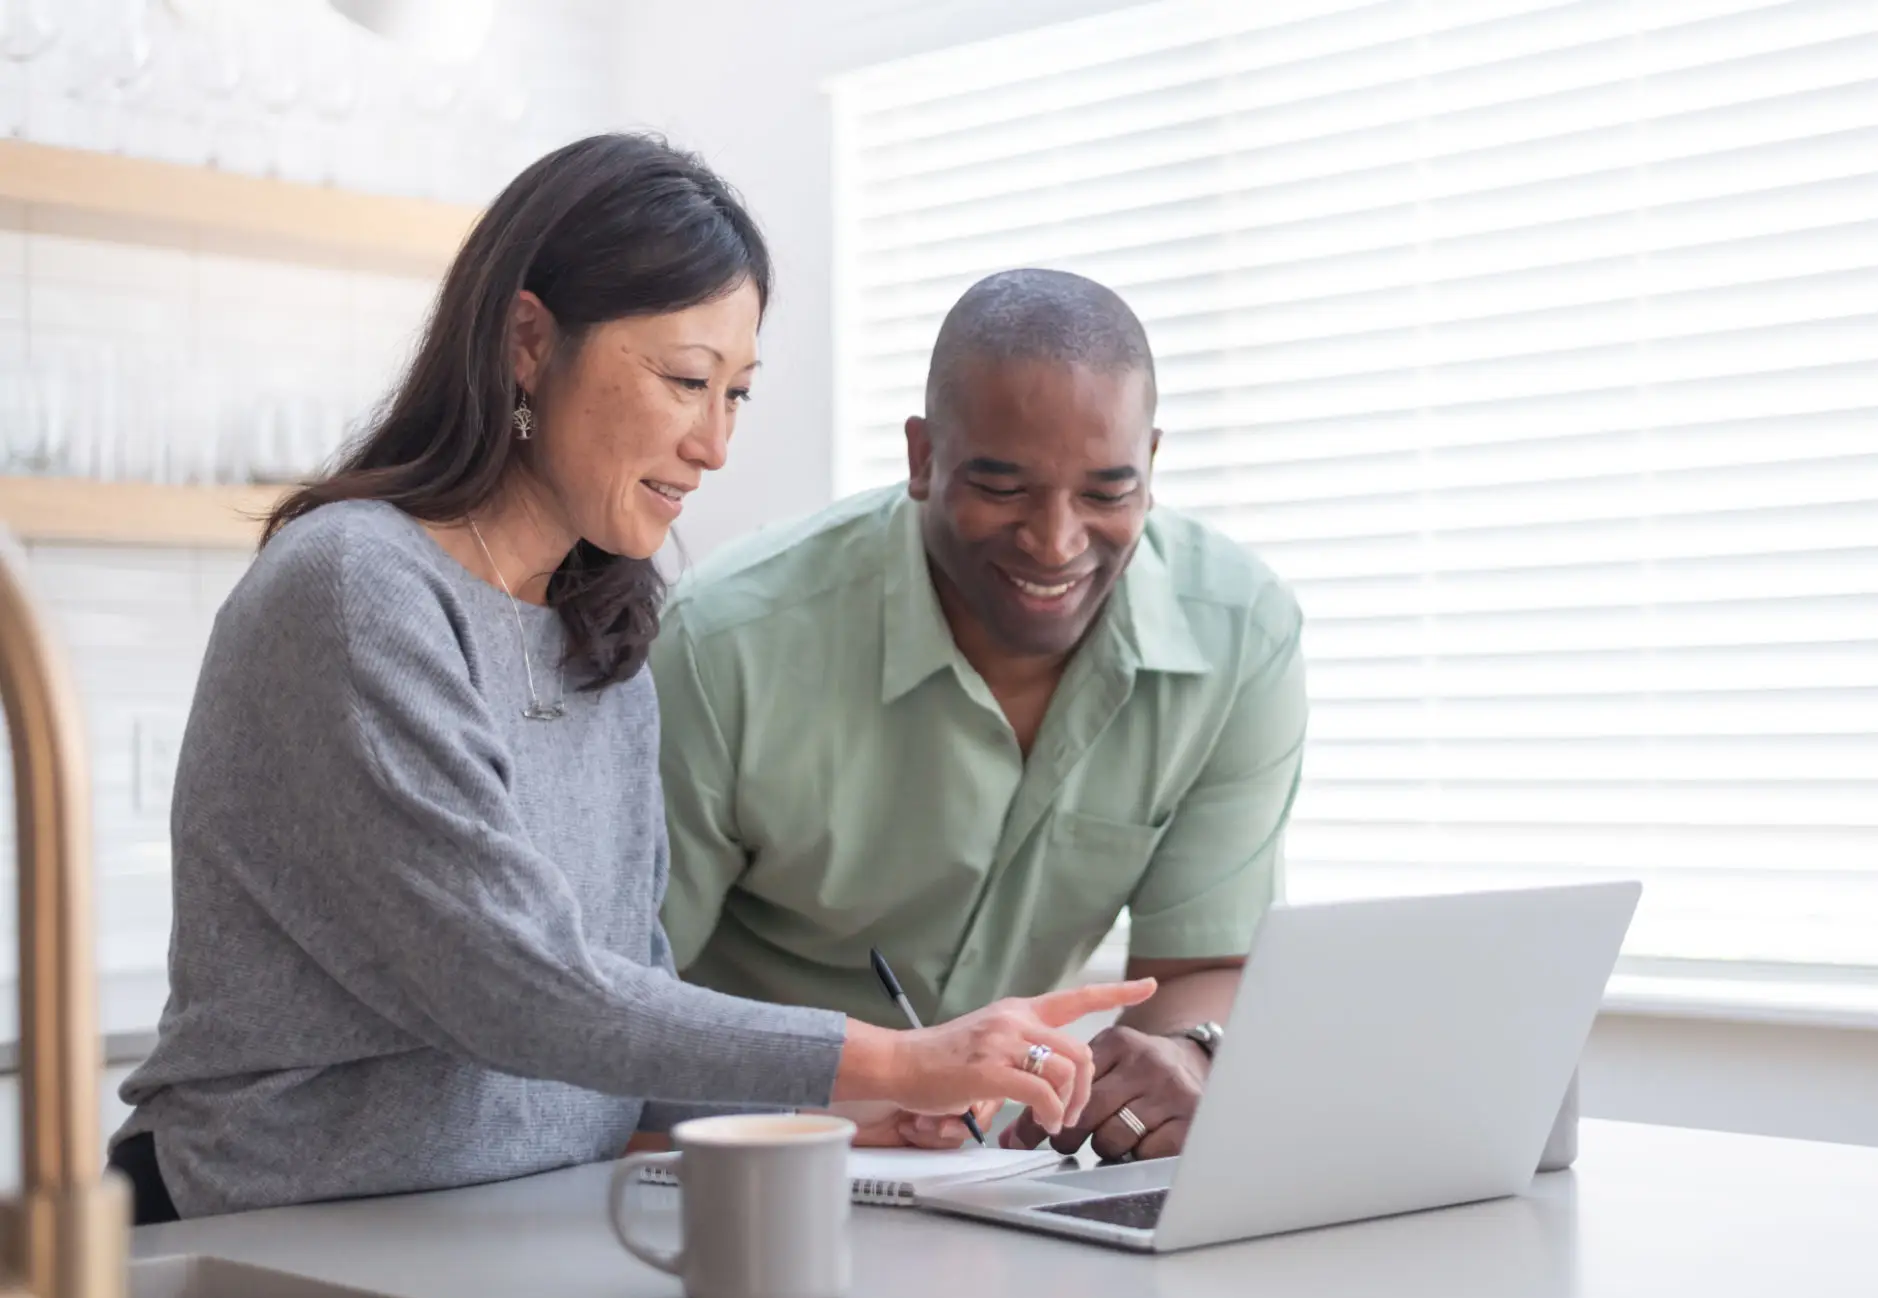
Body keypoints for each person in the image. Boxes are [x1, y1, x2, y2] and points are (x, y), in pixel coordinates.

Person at [108, 137, 1152, 1223]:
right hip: (272, 1243)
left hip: (505, 1237)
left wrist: (852, 1118)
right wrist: (892, 1060)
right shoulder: (355, 589)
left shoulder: (597, 641)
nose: (713, 444)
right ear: (528, 341)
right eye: (686, 380)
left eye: (737, 393)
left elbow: (616, 1028)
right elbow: (516, 992)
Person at [652, 268, 1307, 1160]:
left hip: (997, 1183)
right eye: (1004, 489)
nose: (1056, 540)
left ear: (1152, 462)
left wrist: (1183, 1055)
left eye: (1107, 493)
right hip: (747, 1164)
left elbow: (1203, 966)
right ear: (922, 458)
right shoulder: (725, 644)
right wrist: (859, 1087)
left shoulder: (1239, 635)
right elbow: (615, 998)